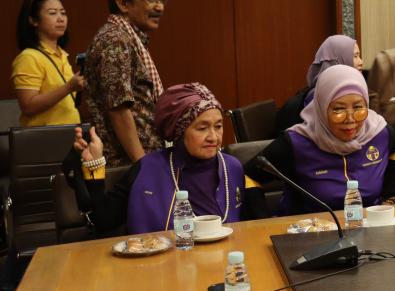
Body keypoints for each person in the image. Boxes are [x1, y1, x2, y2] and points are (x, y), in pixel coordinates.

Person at [64, 83, 256, 235]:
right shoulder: (147, 169)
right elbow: (103, 221)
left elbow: (251, 229)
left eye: (219, 126)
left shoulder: (232, 168)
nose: (213, 137)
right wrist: (94, 166)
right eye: (202, 128)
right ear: (179, 131)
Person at [246, 65, 395, 214]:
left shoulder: (378, 132)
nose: (350, 119)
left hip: (369, 227)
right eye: (338, 109)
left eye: (358, 107)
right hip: (312, 229)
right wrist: (263, 222)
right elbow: (248, 175)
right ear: (322, 108)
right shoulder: (297, 142)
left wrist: (388, 198)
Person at [83, 0, 166, 166]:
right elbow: (119, 109)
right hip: (125, 166)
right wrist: (142, 165)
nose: (160, 7)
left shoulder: (130, 38)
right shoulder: (115, 40)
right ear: (123, 3)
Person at [11, 0, 84, 127]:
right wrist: (68, 87)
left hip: (71, 134)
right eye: (52, 13)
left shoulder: (62, 55)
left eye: (63, 13)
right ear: (33, 20)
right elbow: (28, 106)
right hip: (45, 137)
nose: (61, 18)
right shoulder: (29, 57)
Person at [274, 35, 363, 134]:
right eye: (355, 56)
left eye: (359, 56)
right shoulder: (317, 96)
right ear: (338, 60)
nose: (361, 62)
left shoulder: (351, 90)